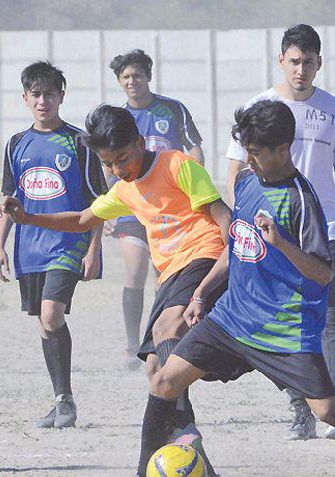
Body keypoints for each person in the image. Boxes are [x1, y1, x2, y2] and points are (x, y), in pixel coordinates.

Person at [136, 99, 335, 477]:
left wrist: (282, 243)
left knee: (330, 412)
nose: (248, 161)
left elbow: (323, 273)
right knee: (163, 381)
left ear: (283, 150)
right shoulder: (246, 181)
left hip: (283, 330)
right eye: (246, 152)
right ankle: (144, 470)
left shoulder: (301, 200)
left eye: (255, 153)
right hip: (232, 319)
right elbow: (237, 246)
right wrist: (202, 292)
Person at [0, 104, 230, 475]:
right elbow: (80, 218)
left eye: (122, 158)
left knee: (167, 327)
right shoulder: (125, 189)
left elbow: (223, 218)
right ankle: (155, 465)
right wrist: (26, 216)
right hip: (170, 276)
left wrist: (222, 278)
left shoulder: (177, 166)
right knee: (155, 372)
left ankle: (186, 426)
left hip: (203, 259)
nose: (118, 170)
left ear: (139, 142)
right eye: (108, 164)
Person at [226, 24, 335, 441]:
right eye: (293, 61)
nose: (300, 69)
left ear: (319, 63)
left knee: (330, 317)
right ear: (280, 61)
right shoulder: (259, 107)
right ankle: (298, 406)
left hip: (325, 231)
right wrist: (242, 226)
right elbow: (235, 171)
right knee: (281, 318)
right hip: (272, 234)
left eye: (308, 61)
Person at [0, 61, 107, 429]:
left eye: (50, 94)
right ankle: (62, 400)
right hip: (29, 249)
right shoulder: (16, 144)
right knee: (43, 325)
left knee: (51, 315)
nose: (44, 101)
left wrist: (94, 248)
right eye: (36, 94)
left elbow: (98, 201)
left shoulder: (79, 142)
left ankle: (65, 402)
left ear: (62, 97)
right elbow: (9, 200)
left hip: (68, 244)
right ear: (25, 98)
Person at [108, 49, 206, 370]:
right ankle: (130, 344)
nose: (132, 81)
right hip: (133, 209)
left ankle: (161, 342)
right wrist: (108, 208)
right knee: (135, 268)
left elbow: (194, 148)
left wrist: (194, 190)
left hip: (171, 209)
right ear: (119, 82)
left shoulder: (172, 109)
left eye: (137, 75)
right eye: (125, 77)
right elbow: (107, 169)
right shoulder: (118, 119)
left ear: (148, 76)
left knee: (162, 278)